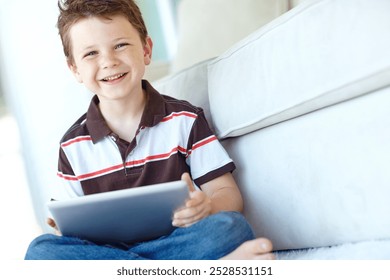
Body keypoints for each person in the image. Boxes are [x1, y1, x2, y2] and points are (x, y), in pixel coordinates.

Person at [25, 0, 274, 260]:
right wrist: (63, 230)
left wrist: (208, 207)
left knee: (231, 227)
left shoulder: (184, 119)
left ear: (146, 50)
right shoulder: (71, 146)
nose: (109, 61)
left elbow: (228, 195)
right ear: (75, 69)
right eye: (91, 54)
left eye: (120, 45)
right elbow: (73, 229)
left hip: (177, 242)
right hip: (111, 252)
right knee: (40, 252)